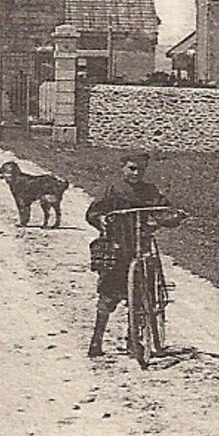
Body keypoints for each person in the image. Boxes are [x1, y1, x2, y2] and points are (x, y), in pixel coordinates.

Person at [85, 152, 183, 358]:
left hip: (141, 245)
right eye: (132, 168)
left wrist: (168, 217)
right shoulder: (112, 190)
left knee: (140, 293)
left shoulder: (150, 191)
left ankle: (134, 340)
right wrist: (101, 219)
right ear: (123, 167)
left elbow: (163, 209)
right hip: (117, 245)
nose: (136, 173)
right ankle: (96, 340)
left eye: (140, 169)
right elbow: (93, 212)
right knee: (108, 294)